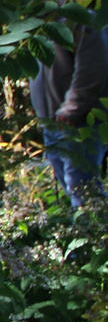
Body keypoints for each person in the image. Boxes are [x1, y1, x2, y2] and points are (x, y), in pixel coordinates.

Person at [30, 19, 108, 207]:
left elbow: (91, 69)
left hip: (80, 120)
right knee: (73, 189)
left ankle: (94, 234)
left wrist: (71, 109)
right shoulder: (39, 21)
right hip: (52, 121)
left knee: (82, 190)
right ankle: (91, 231)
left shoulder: (80, 18)